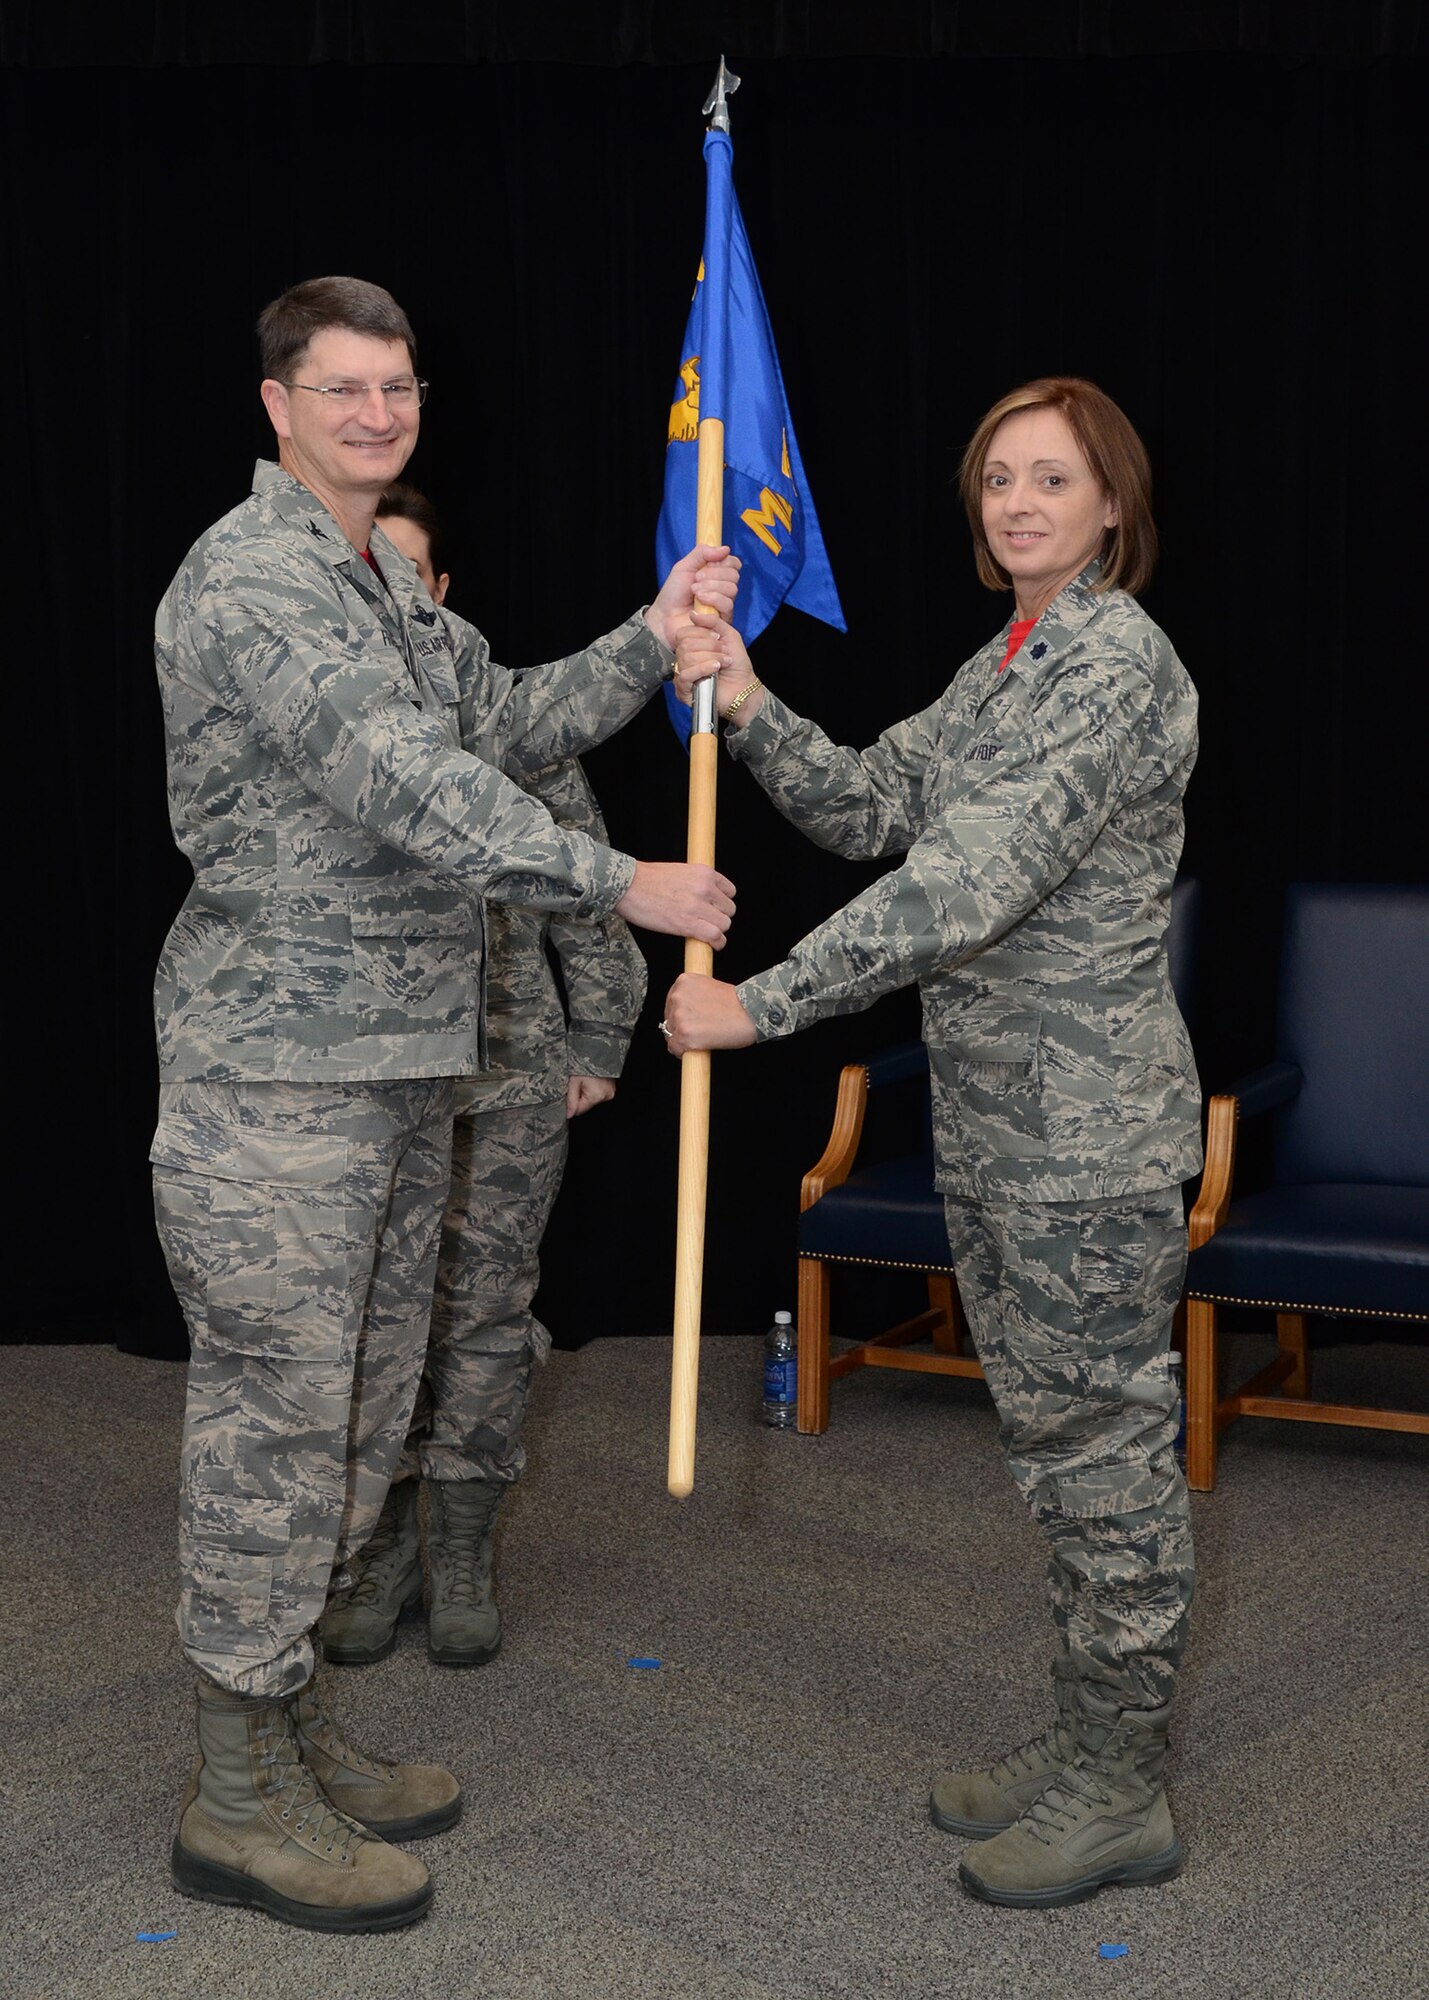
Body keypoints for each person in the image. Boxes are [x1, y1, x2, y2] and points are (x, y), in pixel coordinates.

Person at [151, 275, 738, 1933]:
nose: (375, 413)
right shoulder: (253, 581)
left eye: (395, 387)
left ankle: (285, 1727)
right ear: (276, 404)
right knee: (276, 1432)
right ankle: (232, 1787)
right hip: (277, 1086)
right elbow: (411, 791)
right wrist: (619, 878)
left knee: (354, 1414)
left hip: (398, 1072)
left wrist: (653, 624)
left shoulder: (385, 596)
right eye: (341, 389)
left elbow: (503, 719)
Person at [663, 377, 1200, 1911]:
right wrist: (751, 700)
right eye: (996, 480)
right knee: (1054, 1457)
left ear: (1113, 506)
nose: (1017, 503)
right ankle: (1094, 1727)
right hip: (1002, 1131)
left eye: (1052, 479)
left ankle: (1122, 1786)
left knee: (1104, 1461)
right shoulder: (1011, 659)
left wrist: (760, 1009)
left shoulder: (1115, 668)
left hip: (1085, 1143)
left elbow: (954, 889)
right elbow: (868, 805)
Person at [319, 482, 647, 1670]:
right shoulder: (328, 726)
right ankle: (386, 1539)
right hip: (377, 1078)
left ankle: (458, 1541)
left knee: (484, 1313)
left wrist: (601, 1044)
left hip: (508, 1070)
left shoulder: (504, 722)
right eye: (372, 576)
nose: (396, 595)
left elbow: (593, 896)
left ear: (443, 595)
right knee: (382, 1316)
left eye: (415, 575)